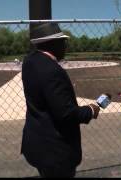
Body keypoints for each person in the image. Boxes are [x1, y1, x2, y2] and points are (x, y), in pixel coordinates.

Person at [20, 23, 100, 178]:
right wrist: (90, 110)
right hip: (56, 151)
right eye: (63, 42)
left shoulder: (29, 61)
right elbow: (65, 114)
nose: (65, 46)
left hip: (36, 143)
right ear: (52, 44)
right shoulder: (53, 71)